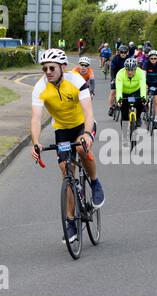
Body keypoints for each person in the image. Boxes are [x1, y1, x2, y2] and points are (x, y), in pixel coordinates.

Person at [31, 49, 104, 243]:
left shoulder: (77, 81)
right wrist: (36, 142)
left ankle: (95, 183)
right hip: (62, 130)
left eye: (51, 68)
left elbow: (89, 113)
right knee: (66, 170)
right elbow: (36, 119)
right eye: (44, 68)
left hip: (83, 125)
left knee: (81, 149)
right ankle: (71, 222)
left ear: (62, 67)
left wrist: (88, 134)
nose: (47, 71)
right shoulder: (40, 88)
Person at [115, 57, 147, 128]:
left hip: (136, 91)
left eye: (132, 70)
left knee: (141, 103)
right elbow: (119, 88)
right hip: (124, 92)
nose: (130, 72)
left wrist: (143, 97)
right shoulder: (120, 74)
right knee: (124, 114)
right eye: (128, 70)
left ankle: (138, 117)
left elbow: (143, 87)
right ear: (125, 69)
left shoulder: (141, 73)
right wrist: (119, 99)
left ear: (136, 69)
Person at [143, 50, 157, 129]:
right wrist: (143, 82)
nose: (153, 60)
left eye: (155, 58)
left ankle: (155, 119)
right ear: (149, 58)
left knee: (156, 101)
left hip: (156, 83)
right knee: (145, 94)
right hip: (147, 82)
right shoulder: (146, 63)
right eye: (151, 58)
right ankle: (145, 105)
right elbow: (144, 74)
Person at [108, 45, 129, 116]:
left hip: (126, 77)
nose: (123, 54)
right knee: (113, 91)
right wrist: (113, 79)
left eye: (125, 52)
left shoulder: (129, 59)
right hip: (116, 76)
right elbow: (112, 70)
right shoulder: (115, 59)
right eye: (121, 52)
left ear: (127, 53)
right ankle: (110, 107)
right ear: (119, 52)